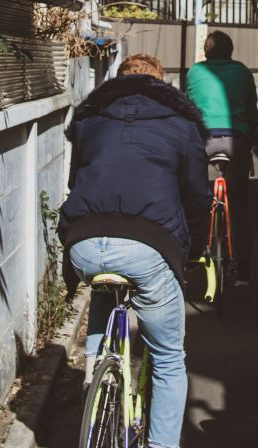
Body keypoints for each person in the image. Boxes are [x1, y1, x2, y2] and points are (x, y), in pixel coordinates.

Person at [59, 54, 212, 448]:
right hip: (147, 246)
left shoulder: (91, 122)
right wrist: (192, 253)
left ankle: (95, 378)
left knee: (102, 288)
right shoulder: (181, 124)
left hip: (85, 243)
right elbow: (197, 197)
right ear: (161, 85)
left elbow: (78, 180)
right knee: (167, 357)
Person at [185, 30, 258, 285]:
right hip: (235, 140)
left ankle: (193, 253)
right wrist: (249, 144)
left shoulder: (194, 72)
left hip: (202, 140)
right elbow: (252, 113)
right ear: (231, 51)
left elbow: (188, 108)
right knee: (239, 205)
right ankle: (245, 271)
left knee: (194, 196)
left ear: (206, 52)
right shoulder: (243, 72)